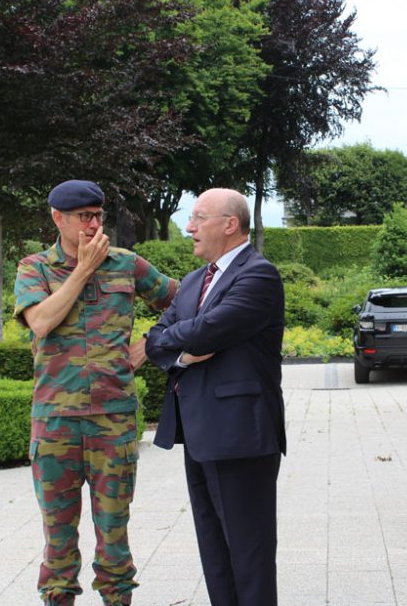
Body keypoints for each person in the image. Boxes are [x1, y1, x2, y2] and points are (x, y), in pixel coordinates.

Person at [14, 179, 178, 606]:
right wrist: (84, 270)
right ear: (58, 219)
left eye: (98, 217)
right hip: (55, 423)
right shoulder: (34, 268)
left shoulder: (126, 264)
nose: (92, 225)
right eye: (83, 217)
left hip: (113, 419)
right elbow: (41, 322)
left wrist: (152, 343)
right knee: (58, 537)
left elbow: (182, 301)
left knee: (114, 533)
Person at [145, 187, 286, 606]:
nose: (189, 227)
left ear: (229, 224)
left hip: (241, 434)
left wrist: (180, 343)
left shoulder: (258, 274)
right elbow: (155, 342)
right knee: (215, 551)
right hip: (199, 433)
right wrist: (182, 349)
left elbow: (211, 330)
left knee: (249, 552)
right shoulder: (193, 281)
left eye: (198, 217)